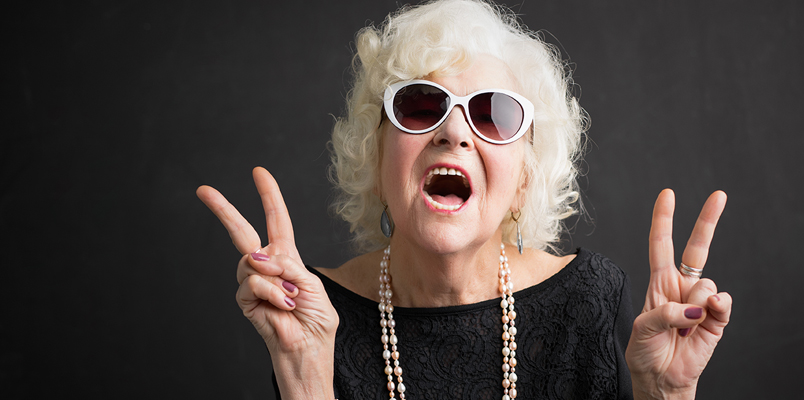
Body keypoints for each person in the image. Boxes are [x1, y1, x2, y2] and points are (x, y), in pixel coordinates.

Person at [197, 0, 732, 399]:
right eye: (420, 106)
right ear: (376, 156)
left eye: (493, 113)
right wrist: (304, 378)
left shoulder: (588, 302)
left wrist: (665, 396)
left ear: (525, 176)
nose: (454, 132)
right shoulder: (311, 317)